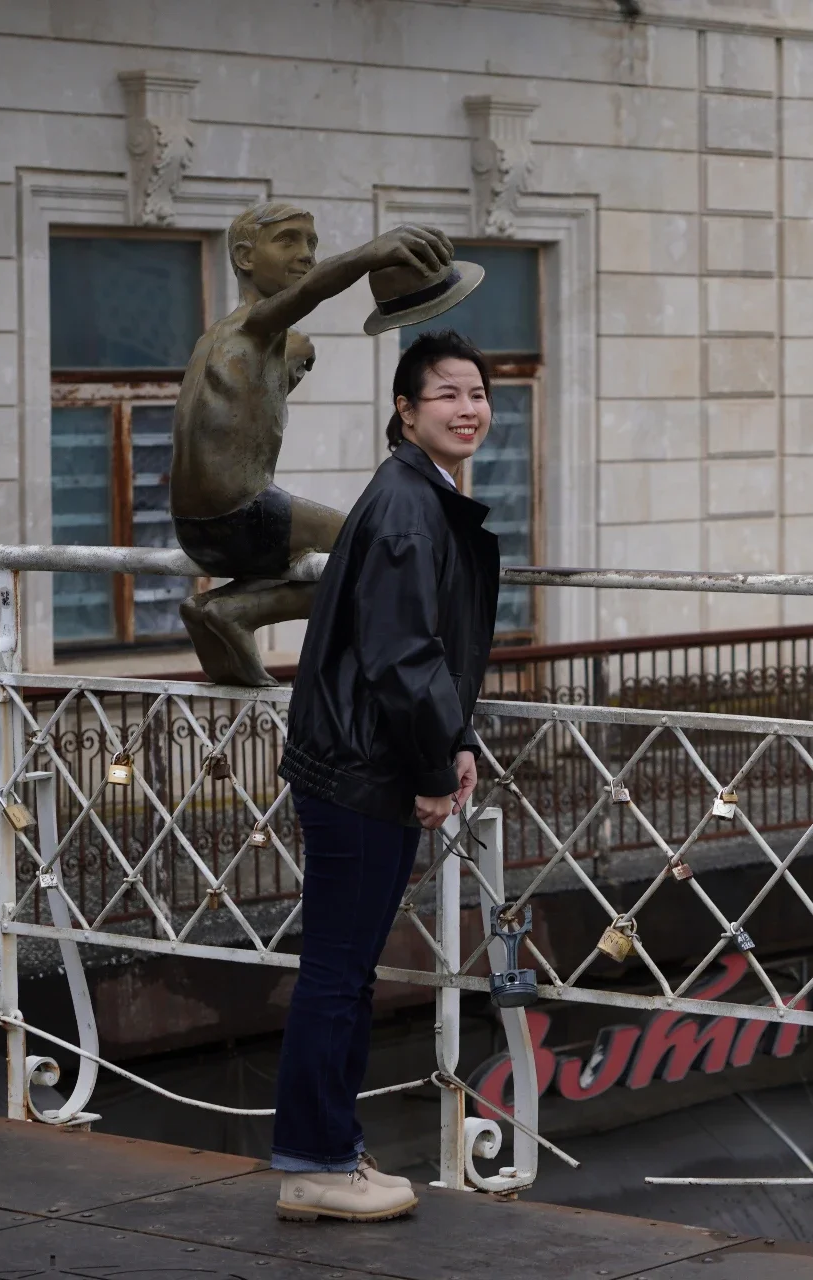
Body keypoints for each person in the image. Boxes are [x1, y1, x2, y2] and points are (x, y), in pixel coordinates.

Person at [270, 330, 501, 1222]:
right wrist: (438, 764)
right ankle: (320, 1164)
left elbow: (418, 649)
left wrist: (451, 740)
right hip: (362, 769)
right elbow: (405, 654)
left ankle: (326, 1154)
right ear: (406, 412)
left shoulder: (416, 495)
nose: (468, 407)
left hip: (350, 762)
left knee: (342, 967)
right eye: (446, 394)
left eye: (477, 392)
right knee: (339, 971)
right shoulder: (410, 505)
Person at [169, 200, 475, 687]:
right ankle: (235, 610)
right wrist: (368, 256)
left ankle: (218, 610)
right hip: (241, 515)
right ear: (245, 257)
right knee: (381, 556)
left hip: (194, 529)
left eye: (311, 243)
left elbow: (238, 414)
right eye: (287, 240)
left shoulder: (218, 341)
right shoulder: (251, 325)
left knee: (353, 557)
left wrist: (289, 364)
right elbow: (308, 293)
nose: (306, 254)